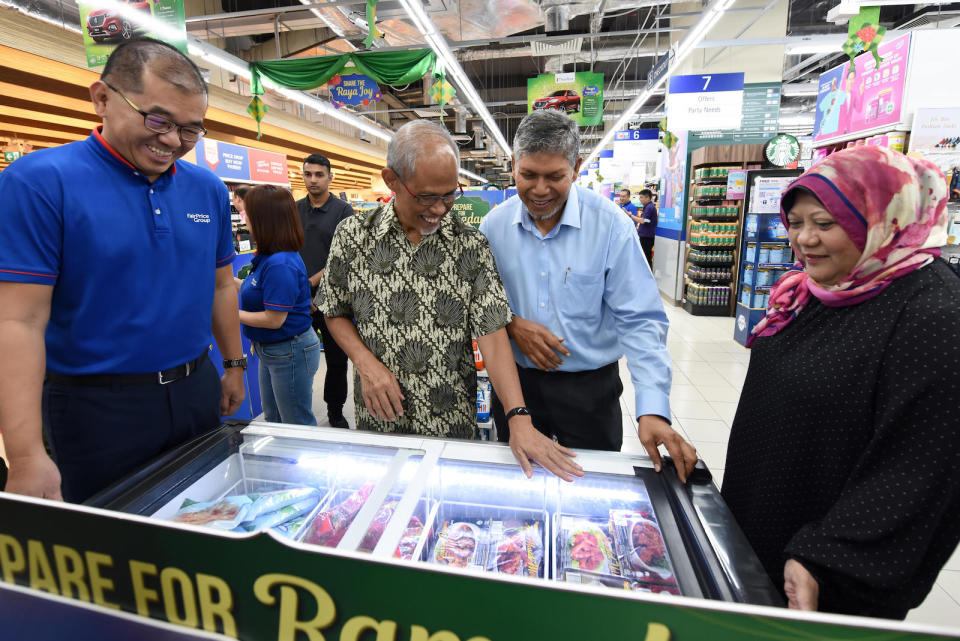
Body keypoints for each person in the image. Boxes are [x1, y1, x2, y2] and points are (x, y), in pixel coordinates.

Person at [0, 38, 245, 503]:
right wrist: (26, 455)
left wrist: (233, 364)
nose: (173, 141)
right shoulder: (38, 182)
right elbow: (18, 320)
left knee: (206, 518)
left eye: (191, 130)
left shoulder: (207, 189)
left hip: (197, 390)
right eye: (158, 120)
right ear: (102, 98)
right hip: (95, 407)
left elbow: (220, 285)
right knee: (114, 549)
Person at [721, 146, 960, 619]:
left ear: (884, 217)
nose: (804, 239)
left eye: (825, 223)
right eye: (795, 222)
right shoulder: (815, 290)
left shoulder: (933, 315)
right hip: (764, 521)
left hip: (825, 569)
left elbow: (922, 466)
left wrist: (827, 556)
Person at [315, 120, 583, 481]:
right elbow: (334, 310)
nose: (440, 210)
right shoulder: (353, 236)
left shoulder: (469, 245)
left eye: (449, 194)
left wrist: (517, 416)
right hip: (379, 417)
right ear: (391, 180)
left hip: (451, 426)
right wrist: (366, 363)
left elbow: (493, 332)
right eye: (426, 196)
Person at [479, 110, 697, 482]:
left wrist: (652, 409)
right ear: (513, 165)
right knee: (521, 485)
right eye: (528, 174)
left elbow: (640, 320)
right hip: (516, 388)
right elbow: (483, 307)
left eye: (555, 176)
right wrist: (513, 325)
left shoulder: (611, 226)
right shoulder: (493, 228)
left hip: (590, 392)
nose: (541, 189)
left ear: (576, 167)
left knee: (592, 489)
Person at [238, 185, 320, 426]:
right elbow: (252, 286)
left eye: (248, 214)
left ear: (264, 220)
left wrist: (229, 313)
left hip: (289, 350)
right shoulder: (270, 257)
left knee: (296, 423)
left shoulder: (279, 263)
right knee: (273, 418)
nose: (245, 219)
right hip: (272, 350)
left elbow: (274, 320)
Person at [296, 154, 354, 428]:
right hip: (299, 300)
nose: (313, 180)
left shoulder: (343, 212)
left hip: (333, 300)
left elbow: (343, 258)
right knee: (297, 359)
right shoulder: (294, 209)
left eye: (319, 174)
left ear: (330, 177)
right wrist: (300, 291)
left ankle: (335, 410)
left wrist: (313, 286)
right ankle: (297, 408)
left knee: (336, 359)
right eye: (308, 174)